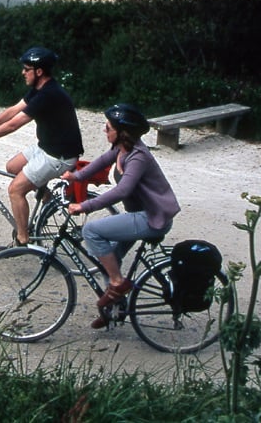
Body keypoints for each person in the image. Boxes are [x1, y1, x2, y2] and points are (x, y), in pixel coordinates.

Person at [61, 103, 180, 329]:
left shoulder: (138, 157)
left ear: (121, 132)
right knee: (110, 258)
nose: (105, 131)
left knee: (91, 231)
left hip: (152, 218)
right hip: (141, 214)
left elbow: (122, 191)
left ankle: (117, 283)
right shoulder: (122, 149)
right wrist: (75, 176)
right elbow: (100, 163)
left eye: (108, 128)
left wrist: (85, 206)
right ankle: (115, 308)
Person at [0, 47, 84, 246]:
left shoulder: (48, 95)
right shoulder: (40, 89)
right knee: (12, 167)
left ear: (39, 72)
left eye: (26, 69)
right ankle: (46, 197)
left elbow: (14, 124)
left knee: (15, 190)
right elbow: (13, 110)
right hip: (47, 147)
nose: (22, 72)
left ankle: (23, 238)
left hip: (59, 156)